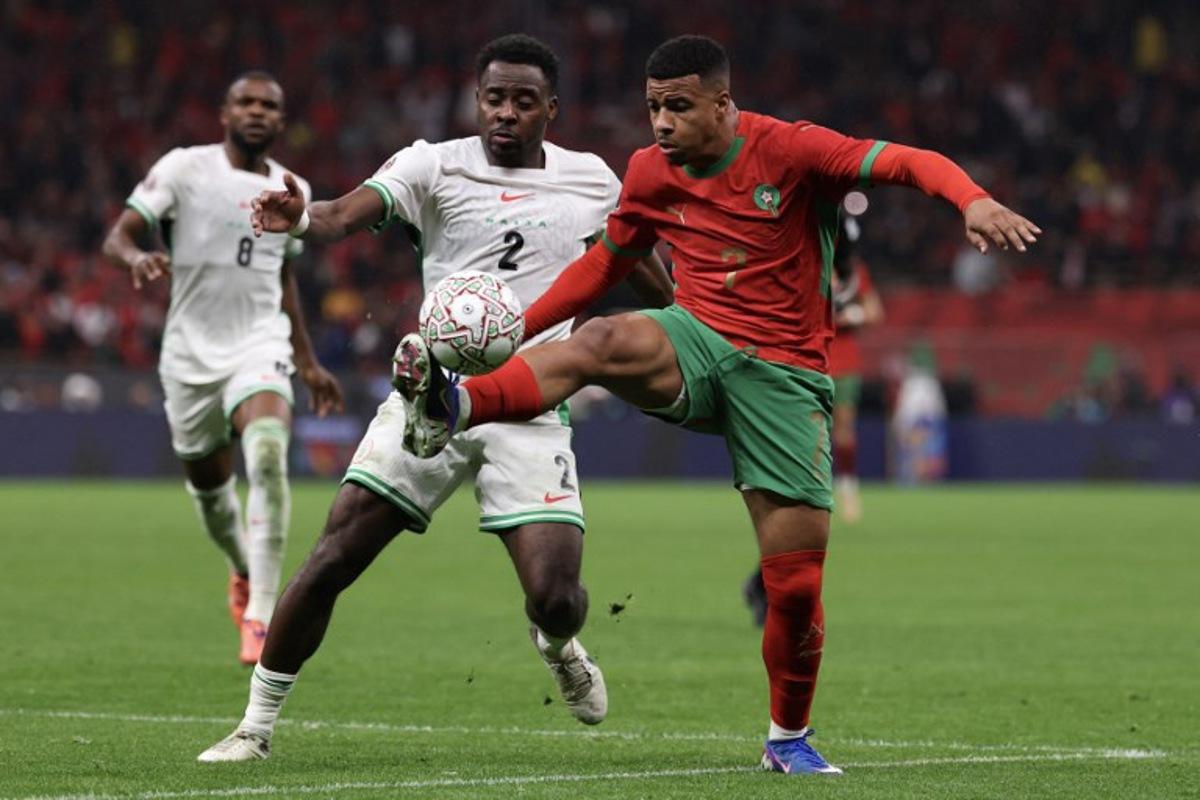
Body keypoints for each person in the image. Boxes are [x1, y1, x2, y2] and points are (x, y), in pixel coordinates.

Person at [391, 35, 1039, 775]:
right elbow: (608, 262)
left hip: (786, 377)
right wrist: (514, 333)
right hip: (695, 342)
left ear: (722, 105)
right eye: (652, 107)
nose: (661, 124)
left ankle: (787, 738)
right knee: (601, 339)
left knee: (793, 586)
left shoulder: (792, 152)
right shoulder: (647, 171)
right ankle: (454, 405)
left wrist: (973, 198)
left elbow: (902, 162)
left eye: (678, 106)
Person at [197, 35, 673, 762]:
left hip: (532, 404)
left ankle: (558, 643)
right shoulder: (434, 162)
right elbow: (340, 215)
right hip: (432, 397)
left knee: (557, 595)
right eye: (492, 98)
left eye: (522, 101)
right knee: (334, 557)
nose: (504, 113)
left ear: (551, 108)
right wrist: (300, 214)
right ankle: (254, 728)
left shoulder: (593, 181)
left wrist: (691, 326)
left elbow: (644, 271)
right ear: (475, 100)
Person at [102, 72, 344, 667]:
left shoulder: (295, 187)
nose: (257, 112)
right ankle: (242, 568)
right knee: (212, 494)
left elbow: (284, 274)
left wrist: (307, 363)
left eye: (269, 105)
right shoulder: (186, 168)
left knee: (265, 453)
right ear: (224, 111)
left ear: (281, 120)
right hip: (189, 354)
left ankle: (261, 614)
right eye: (246, 102)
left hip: (258, 343)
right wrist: (138, 258)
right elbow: (119, 235)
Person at [742, 208, 883, 627]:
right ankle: (767, 584)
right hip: (801, 365)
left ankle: (768, 583)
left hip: (838, 361)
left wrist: (848, 315)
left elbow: (873, 310)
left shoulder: (852, 271)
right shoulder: (800, 259)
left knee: (818, 458)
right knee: (801, 469)